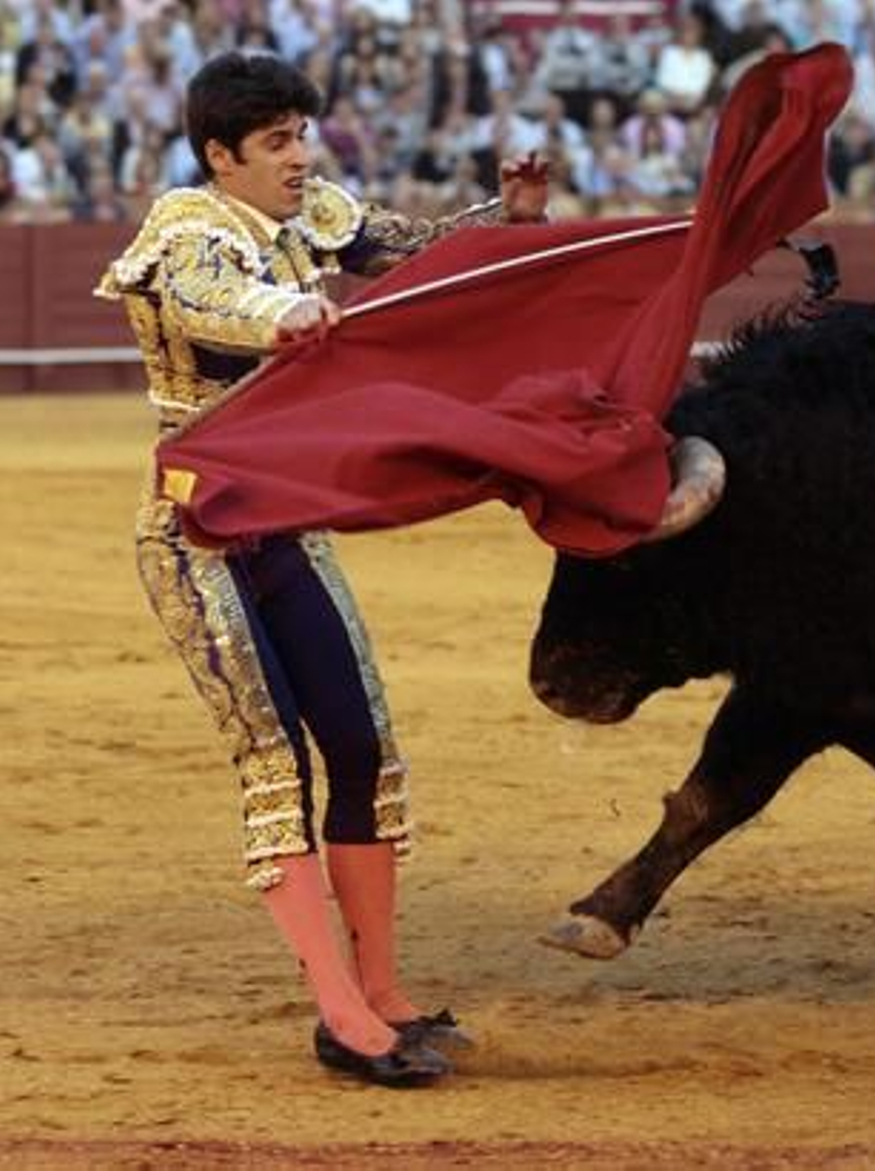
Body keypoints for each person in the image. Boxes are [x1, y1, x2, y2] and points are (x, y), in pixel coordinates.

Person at [95, 50, 549, 1088]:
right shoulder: (185, 230)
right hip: (195, 537)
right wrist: (285, 316)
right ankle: (341, 1012)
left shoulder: (309, 214)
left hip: (285, 524)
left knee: (361, 745)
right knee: (274, 769)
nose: (301, 156)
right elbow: (217, 303)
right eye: (278, 143)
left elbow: (409, 252)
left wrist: (505, 215)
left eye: (303, 134)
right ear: (221, 155)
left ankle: (382, 989)